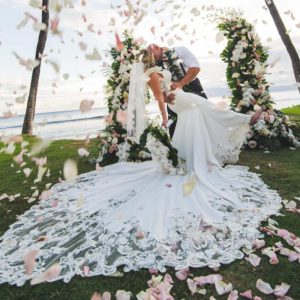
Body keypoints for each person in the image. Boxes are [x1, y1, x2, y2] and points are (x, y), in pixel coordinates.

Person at [0, 50, 281, 286]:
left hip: (186, 105)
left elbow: (170, 89)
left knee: (210, 113)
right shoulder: (153, 75)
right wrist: (164, 119)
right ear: (150, 58)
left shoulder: (160, 69)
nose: (157, 45)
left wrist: (175, 92)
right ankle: (246, 119)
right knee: (212, 113)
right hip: (182, 107)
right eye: (153, 46)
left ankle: (241, 122)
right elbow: (160, 98)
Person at [147, 44, 207, 138]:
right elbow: (157, 91)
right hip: (174, 99)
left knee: (204, 119)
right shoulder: (152, 68)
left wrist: (180, 84)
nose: (152, 46)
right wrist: (165, 98)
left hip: (193, 88)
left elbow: (195, 69)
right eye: (150, 52)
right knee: (175, 130)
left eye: (154, 47)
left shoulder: (180, 51)